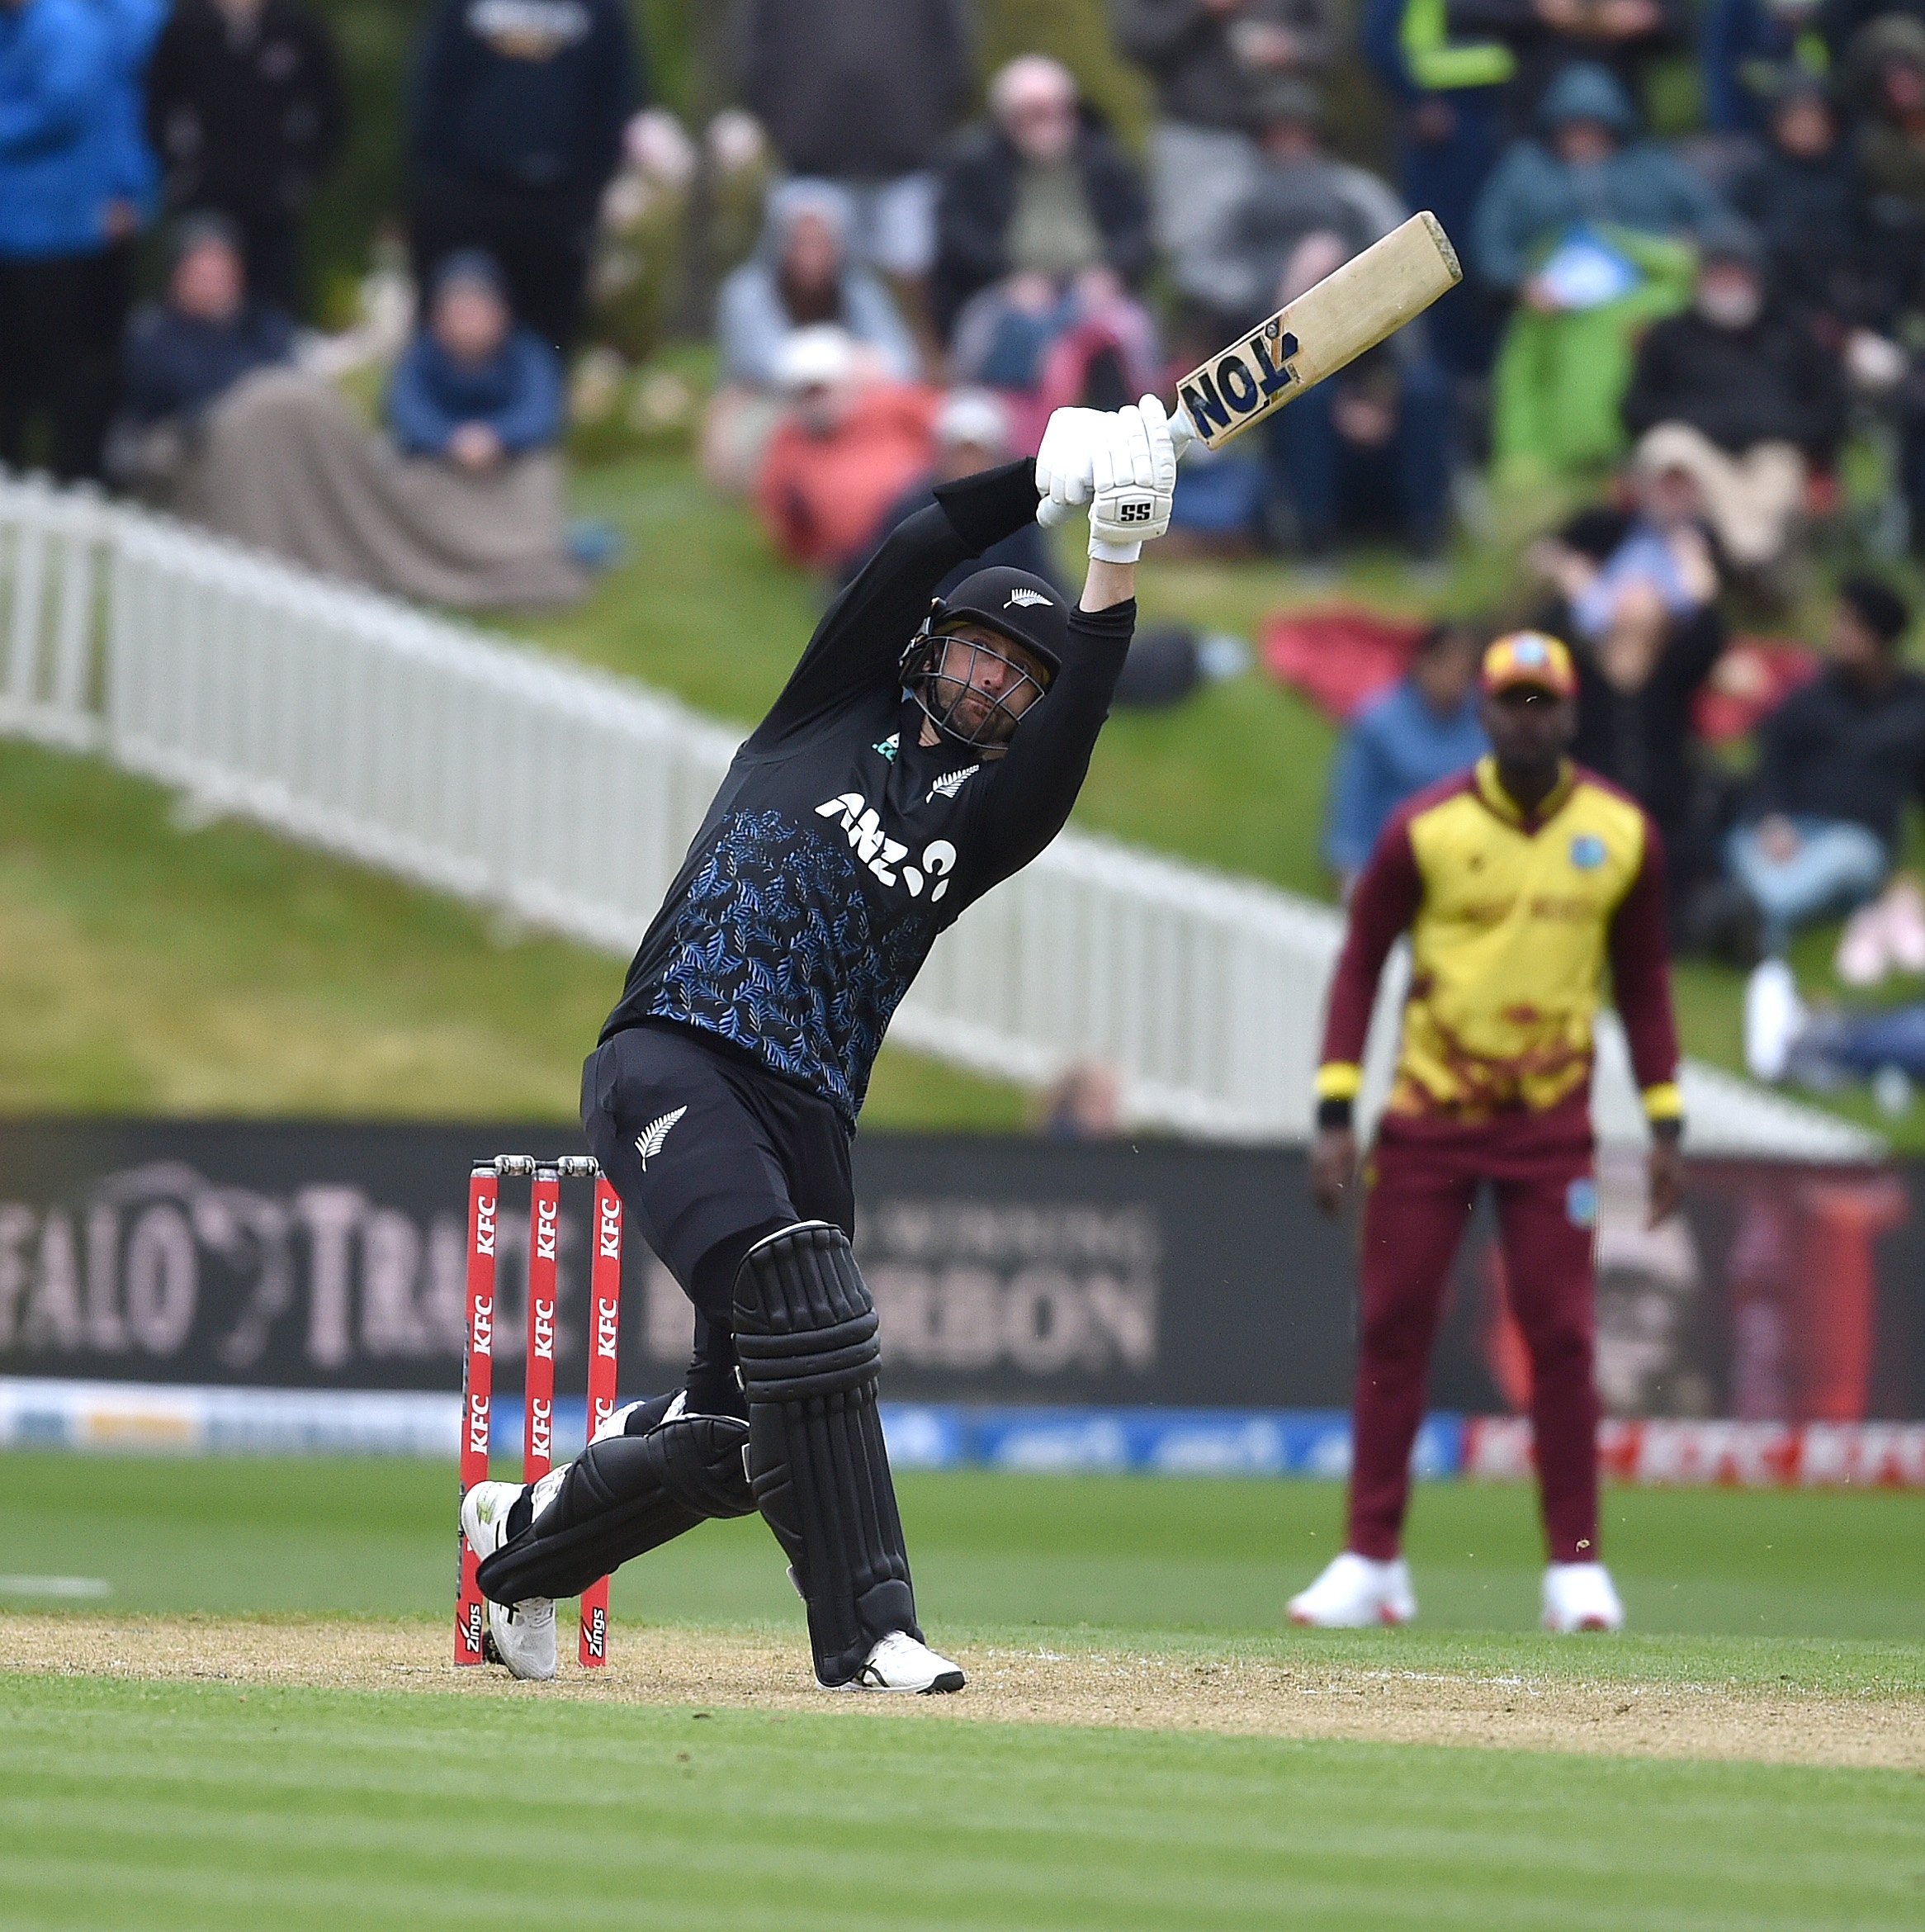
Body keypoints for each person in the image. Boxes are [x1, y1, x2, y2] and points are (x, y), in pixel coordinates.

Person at [455, 395, 1178, 1693]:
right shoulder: (821, 711)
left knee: (745, 1436)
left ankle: (514, 1547)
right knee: (807, 1289)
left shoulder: (983, 831)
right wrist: (1044, 481)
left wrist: (1115, 567)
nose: (990, 679)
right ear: (928, 651)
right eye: (973, 652)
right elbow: (909, 549)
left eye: (1018, 675)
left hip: (810, 1114)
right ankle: (871, 1633)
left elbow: (1080, 733)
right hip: (675, 1050)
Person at [1297, 630, 1683, 1634]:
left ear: (1569, 712)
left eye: (1542, 701)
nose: (1526, 718)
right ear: (1482, 713)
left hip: (1550, 1131)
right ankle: (1370, 1560)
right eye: (1510, 701)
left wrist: (1665, 1118)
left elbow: (1642, 983)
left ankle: (1576, 1569)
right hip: (1428, 1119)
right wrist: (1336, 1111)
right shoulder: (1424, 829)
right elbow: (1359, 964)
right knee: (1392, 1326)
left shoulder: (1620, 832)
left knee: (1560, 1337)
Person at [1473, 62, 1724, 480]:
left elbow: (1714, 224)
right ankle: (1564, 463)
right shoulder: (1524, 172)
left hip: (1646, 299)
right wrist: (1522, 283)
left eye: (1595, 129)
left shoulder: (1653, 166)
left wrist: (1687, 247)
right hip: (1557, 303)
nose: (1584, 141)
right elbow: (1490, 246)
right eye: (1573, 128)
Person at [1527, 457, 1726, 920]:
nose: (1639, 587)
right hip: (1580, 821)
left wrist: (1698, 582)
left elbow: (1709, 638)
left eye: (1653, 586)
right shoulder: (1575, 670)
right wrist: (1570, 588)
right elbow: (1530, 659)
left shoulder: (1675, 673)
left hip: (1661, 822)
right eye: (1627, 581)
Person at [407, 0, 639, 355]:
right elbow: (434, 89)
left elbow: (617, 94)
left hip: (562, 202)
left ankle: (541, 409)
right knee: (460, 325)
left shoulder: (602, 10)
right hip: (471, 199)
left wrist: (591, 184)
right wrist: (438, 186)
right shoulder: (460, 8)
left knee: (551, 338)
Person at [1620, 225, 1846, 575]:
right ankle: (1679, 573)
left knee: (1777, 475)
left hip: (1772, 454)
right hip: (1699, 457)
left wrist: (1773, 428)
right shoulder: (1669, 336)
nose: (1726, 288)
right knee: (1667, 448)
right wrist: (1707, 422)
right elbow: (1634, 410)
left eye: (1735, 277)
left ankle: (1755, 569)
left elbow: (1829, 412)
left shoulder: (1794, 335)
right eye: (1717, 277)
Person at [1726, 578, 1925, 953]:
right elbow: (1771, 766)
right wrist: (1773, 820)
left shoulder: (1914, 708)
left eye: (1852, 626)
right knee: (1743, 849)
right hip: (1786, 833)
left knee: (1808, 876)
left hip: (1853, 839)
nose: (1839, 635)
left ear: (1878, 637)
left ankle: (1758, 928)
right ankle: (1768, 926)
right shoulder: (1809, 698)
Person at [933, 54, 1155, 388]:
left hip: (1095, 284)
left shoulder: (1105, 159)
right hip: (1006, 289)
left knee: (1130, 335)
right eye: (1033, 114)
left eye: (1055, 111)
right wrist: (1008, 277)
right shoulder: (974, 164)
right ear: (1007, 118)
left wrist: (1112, 273)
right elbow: (957, 235)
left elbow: (1139, 228)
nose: (1047, 123)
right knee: (995, 338)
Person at [0, 0, 151, 481]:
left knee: (69, 369)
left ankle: (77, 481)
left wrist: (130, 191)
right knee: (15, 371)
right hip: (20, 233)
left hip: (61, 235)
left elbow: (67, 105)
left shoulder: (68, 28)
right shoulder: (21, 25)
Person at [1114, 0, 1335, 310]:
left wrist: (1289, 49)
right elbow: (1135, 39)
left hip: (1281, 138)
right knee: (1196, 273)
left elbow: (1327, 42)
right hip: (1197, 137)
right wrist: (1202, 10)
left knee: (1302, 258)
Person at [739, 0, 969, 291]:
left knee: (909, 291)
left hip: (906, 170)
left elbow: (953, 60)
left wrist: (926, 128)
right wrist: (789, 130)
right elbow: (756, 59)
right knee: (795, 293)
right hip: (811, 169)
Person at [144, 0, 346, 315]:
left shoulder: (296, 28)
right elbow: (159, 108)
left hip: (273, 205)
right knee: (203, 303)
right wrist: (181, 173)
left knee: (275, 308)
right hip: (205, 199)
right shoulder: (185, 28)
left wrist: (300, 178)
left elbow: (329, 110)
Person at [107, 211, 294, 490]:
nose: (212, 282)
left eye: (220, 272)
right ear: (176, 277)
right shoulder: (154, 330)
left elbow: (286, 377)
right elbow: (171, 392)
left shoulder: (264, 322)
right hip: (183, 441)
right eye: (201, 273)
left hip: (261, 440)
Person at [753, 324, 940, 575]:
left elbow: (948, 425)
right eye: (804, 393)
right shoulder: (788, 446)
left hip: (925, 507)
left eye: (820, 390)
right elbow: (788, 531)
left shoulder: (890, 405)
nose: (815, 403)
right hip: (865, 553)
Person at [849, 386, 1063, 594]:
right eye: (960, 453)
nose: (969, 464)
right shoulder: (911, 509)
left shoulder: (1018, 516)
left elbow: (1038, 576)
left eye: (977, 453)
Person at [1323, 621, 1489, 890]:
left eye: (1467, 671)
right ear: (1423, 664)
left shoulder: (1486, 721)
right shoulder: (1380, 722)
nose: (1458, 680)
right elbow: (1353, 805)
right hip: (1393, 869)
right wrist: (1352, 879)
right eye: (1450, 666)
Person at [715, 181, 920, 392]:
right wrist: (847, 361)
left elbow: (901, 362)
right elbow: (765, 365)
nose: (809, 256)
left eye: (820, 242)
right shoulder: (747, 292)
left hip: (845, 406)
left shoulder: (857, 288)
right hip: (768, 405)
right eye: (799, 242)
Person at [385, 249, 565, 468]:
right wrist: (452, 440)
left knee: (541, 465)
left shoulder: (528, 353)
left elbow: (541, 411)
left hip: (510, 466)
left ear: (502, 314)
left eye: (477, 309)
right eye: (458, 311)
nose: (468, 323)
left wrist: (495, 437)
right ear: (437, 318)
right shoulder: (419, 357)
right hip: (437, 467)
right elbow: (405, 412)